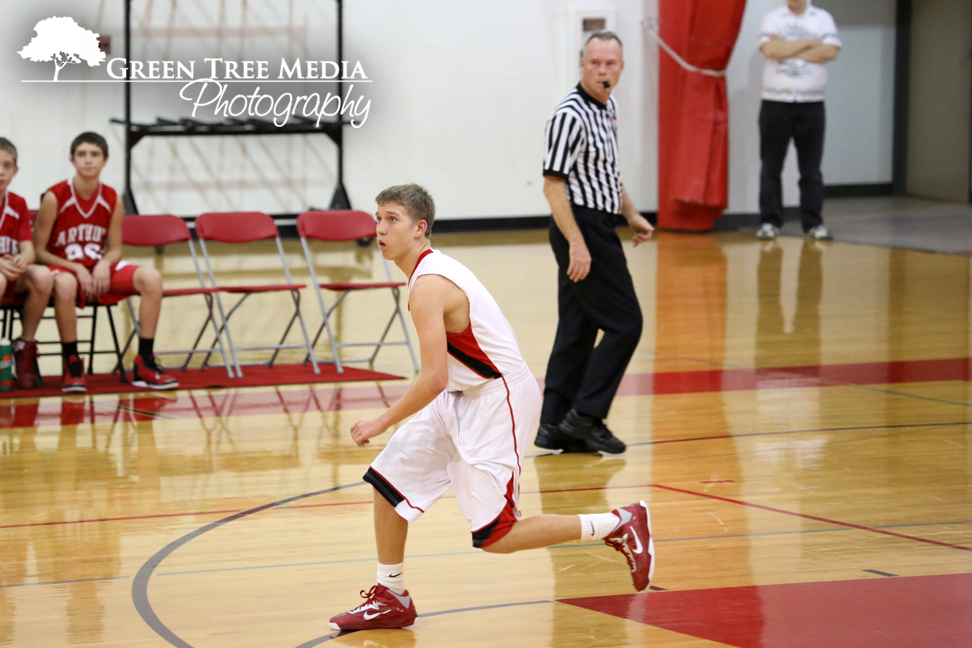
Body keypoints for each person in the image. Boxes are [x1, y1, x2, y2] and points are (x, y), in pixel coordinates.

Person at [328, 184, 654, 631]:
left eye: (391, 220)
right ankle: (391, 595)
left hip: (497, 398)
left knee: (498, 536)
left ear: (420, 229)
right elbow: (443, 382)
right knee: (387, 483)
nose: (380, 229)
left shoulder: (429, 285)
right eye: (378, 219)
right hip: (460, 395)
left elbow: (433, 378)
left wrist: (382, 420)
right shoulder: (426, 272)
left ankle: (617, 523)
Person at [536, 31, 654, 455]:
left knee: (578, 326)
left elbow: (607, 172)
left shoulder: (608, 107)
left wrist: (632, 214)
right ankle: (586, 415)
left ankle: (553, 424)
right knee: (627, 323)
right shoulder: (569, 115)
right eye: (595, 63)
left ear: (621, 68)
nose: (603, 70)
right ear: (581, 65)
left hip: (599, 223)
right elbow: (553, 186)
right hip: (580, 228)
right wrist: (578, 244)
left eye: (610, 64)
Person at [33, 132, 177, 393]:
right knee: (65, 284)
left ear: (105, 160)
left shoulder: (113, 198)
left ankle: (144, 361)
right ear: (72, 159)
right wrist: (75, 267)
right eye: (82, 154)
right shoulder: (55, 196)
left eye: (94, 155)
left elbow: (116, 250)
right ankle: (72, 362)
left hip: (95, 269)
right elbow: (38, 251)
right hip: (63, 267)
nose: (88, 161)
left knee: (152, 278)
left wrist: (103, 263)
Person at [755, 0, 841, 241]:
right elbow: (770, 50)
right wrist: (807, 42)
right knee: (770, 167)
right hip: (775, 103)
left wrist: (785, 46)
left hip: (812, 103)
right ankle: (770, 221)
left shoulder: (822, 18)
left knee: (811, 169)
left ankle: (813, 223)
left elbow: (830, 51)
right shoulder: (772, 17)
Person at [0, 138, 54, 390]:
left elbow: (29, 249)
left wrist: (24, 259)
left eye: (6, 165)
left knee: (43, 276)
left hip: (12, 273)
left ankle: (24, 345)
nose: (1, 171)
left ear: (15, 171)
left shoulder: (18, 203)